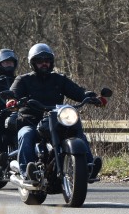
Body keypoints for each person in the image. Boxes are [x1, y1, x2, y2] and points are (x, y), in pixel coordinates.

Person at [9, 43, 104, 182]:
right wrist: (12, 100)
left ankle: (88, 166)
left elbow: (77, 91)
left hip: (56, 118)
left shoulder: (59, 79)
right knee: (26, 134)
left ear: (51, 62)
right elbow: (13, 94)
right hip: (31, 119)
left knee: (77, 132)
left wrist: (90, 96)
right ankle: (27, 172)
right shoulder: (23, 80)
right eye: (40, 61)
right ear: (33, 63)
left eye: (47, 61)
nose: (44, 64)